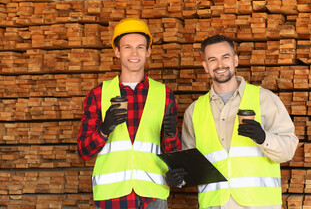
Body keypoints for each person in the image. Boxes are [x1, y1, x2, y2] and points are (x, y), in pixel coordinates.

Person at [167, 35, 298, 209]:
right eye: (212, 59)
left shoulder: (264, 99)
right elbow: (191, 164)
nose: (220, 65)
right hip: (215, 205)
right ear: (205, 66)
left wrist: (263, 137)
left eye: (225, 57)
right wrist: (179, 178)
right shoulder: (195, 111)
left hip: (258, 205)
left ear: (235, 60)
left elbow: (288, 151)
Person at [77, 17, 181, 209]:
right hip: (112, 197)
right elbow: (83, 151)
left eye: (140, 47)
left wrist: (171, 134)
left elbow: (173, 154)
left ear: (148, 51)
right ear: (117, 51)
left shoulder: (165, 95)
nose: (135, 53)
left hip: (153, 196)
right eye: (127, 47)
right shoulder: (98, 95)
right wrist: (104, 129)